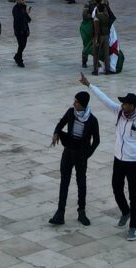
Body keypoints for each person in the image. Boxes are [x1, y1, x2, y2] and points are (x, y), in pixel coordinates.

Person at [82, 75, 136, 242]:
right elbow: (104, 99)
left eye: (125, 103)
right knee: (116, 188)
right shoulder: (119, 113)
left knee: (133, 195)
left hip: (133, 162)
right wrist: (89, 85)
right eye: (122, 103)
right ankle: (125, 211)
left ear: (133, 106)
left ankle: (133, 227)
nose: (122, 105)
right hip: (118, 160)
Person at [48, 89, 100, 226]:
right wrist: (55, 133)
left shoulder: (92, 120)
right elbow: (61, 123)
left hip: (81, 155)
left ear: (83, 104)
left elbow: (96, 141)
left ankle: (81, 212)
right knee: (64, 182)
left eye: (76, 102)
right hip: (68, 152)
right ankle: (60, 213)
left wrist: (87, 155)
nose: (74, 103)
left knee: (81, 183)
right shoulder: (71, 112)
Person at [12, 0, 31, 67]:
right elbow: (18, 19)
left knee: (24, 44)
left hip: (25, 28)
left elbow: (26, 19)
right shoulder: (15, 8)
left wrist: (27, 13)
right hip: (19, 29)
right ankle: (19, 60)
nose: (24, 1)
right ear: (18, 0)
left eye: (24, 0)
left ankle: (17, 56)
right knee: (21, 45)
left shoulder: (23, 7)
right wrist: (25, 13)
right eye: (22, 0)